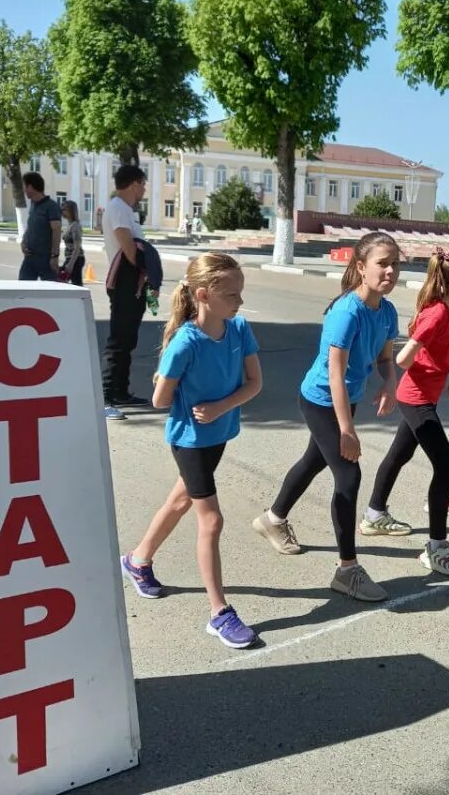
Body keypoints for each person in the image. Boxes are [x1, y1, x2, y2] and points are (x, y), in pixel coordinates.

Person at [119, 254, 261, 648]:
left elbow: (254, 384)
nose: (239, 301)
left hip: (220, 432)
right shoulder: (185, 342)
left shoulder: (239, 330)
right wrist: (179, 383)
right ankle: (219, 613)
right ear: (203, 295)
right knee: (211, 520)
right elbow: (160, 399)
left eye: (240, 292)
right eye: (231, 294)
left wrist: (219, 406)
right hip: (190, 440)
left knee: (180, 500)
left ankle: (137, 560)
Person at [252, 233, 400, 602]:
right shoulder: (347, 312)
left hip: (345, 399)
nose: (391, 270)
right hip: (320, 399)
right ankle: (347, 570)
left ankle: (272, 519)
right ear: (361, 267)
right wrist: (347, 430)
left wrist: (389, 384)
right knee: (348, 474)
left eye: (395, 262)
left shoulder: (388, 311)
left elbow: (384, 358)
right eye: (383, 263)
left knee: (313, 460)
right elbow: (336, 373)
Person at [365, 244, 449, 578]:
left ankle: (374, 513)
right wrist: (400, 368)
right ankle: (436, 548)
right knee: (446, 466)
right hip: (415, 397)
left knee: (399, 453)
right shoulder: (434, 314)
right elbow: (403, 358)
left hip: (426, 397)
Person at [102, 165, 152, 421]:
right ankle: (107, 397)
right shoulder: (119, 208)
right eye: (143, 184)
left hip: (131, 283)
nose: (144, 189)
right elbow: (129, 249)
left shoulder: (124, 209)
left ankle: (121, 391)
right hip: (124, 282)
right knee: (119, 341)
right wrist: (144, 266)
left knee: (127, 341)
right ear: (135, 183)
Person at [18, 173, 62, 282]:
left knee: (50, 293)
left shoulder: (51, 206)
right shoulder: (33, 205)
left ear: (31, 187)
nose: (24, 190)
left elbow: (56, 231)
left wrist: (54, 257)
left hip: (46, 260)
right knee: (22, 290)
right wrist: (23, 242)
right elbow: (30, 226)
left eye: (25, 186)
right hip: (30, 257)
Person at [60, 200, 84, 285]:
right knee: (63, 281)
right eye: (62, 209)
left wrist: (71, 264)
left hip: (76, 258)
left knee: (77, 285)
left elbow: (77, 248)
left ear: (71, 211)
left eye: (65, 209)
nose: (62, 211)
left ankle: (82, 298)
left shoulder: (75, 226)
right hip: (70, 257)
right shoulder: (69, 225)